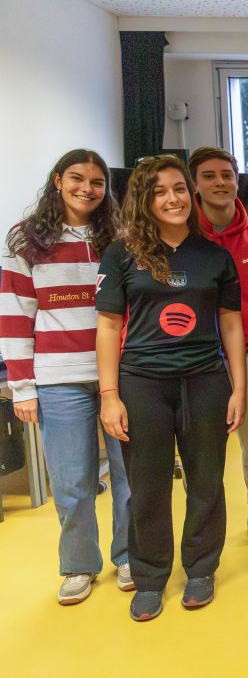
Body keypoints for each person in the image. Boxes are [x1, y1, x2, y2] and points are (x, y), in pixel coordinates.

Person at [95, 155, 246, 621]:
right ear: (145, 198)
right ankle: (150, 575)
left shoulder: (214, 255)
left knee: (206, 480)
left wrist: (238, 388)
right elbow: (107, 325)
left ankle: (201, 567)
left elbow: (232, 325)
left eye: (179, 188)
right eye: (160, 191)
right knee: (147, 485)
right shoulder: (122, 254)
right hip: (142, 384)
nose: (174, 198)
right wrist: (109, 395)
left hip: (205, 381)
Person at [0, 149, 132, 604]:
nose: (87, 188)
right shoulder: (25, 239)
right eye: (77, 178)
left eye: (97, 182)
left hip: (121, 373)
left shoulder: (122, 236)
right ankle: (78, 565)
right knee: (72, 481)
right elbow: (15, 315)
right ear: (58, 181)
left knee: (128, 474)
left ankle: (130, 556)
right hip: (58, 379)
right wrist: (22, 387)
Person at [187, 147, 248, 550]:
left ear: (237, 181)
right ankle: (202, 520)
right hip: (200, 357)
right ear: (195, 184)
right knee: (201, 444)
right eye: (209, 176)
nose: (220, 182)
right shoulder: (183, 238)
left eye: (227, 174)